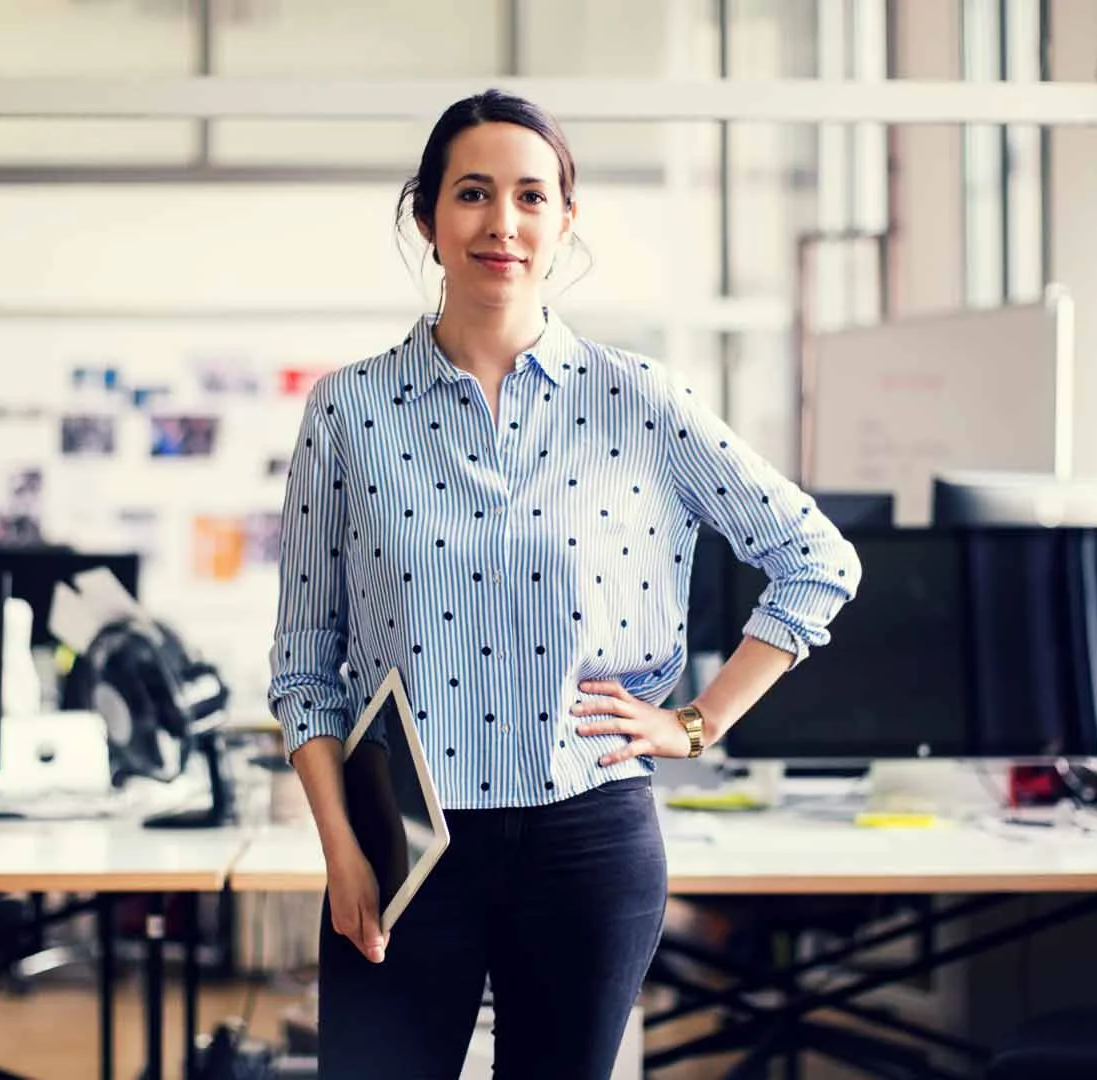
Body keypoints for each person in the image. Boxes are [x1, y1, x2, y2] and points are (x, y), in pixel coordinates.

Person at [268, 88, 862, 1079]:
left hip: (585, 837)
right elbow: (302, 663)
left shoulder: (639, 399)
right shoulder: (349, 411)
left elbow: (817, 559)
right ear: (428, 217)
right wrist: (340, 846)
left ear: (564, 221)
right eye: (472, 194)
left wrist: (696, 724)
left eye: (531, 197)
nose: (503, 222)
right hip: (405, 839)